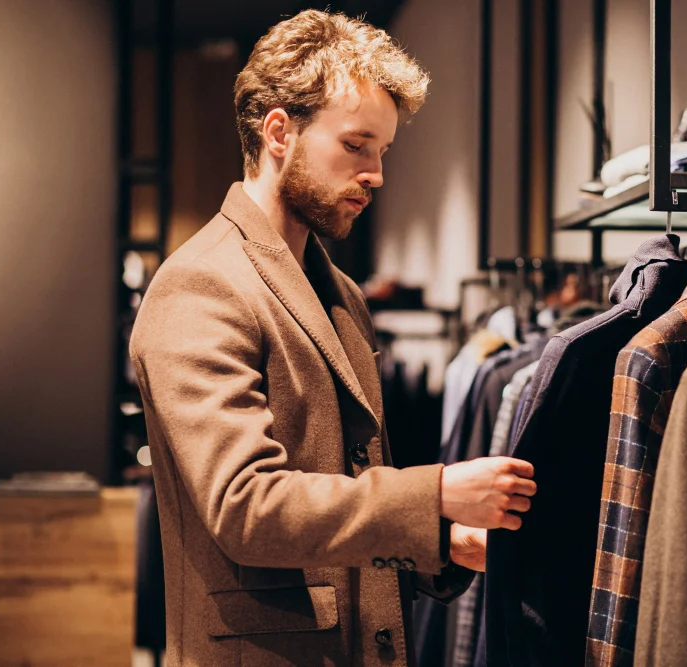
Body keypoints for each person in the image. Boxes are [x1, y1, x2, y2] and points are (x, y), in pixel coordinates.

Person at [128, 10, 537, 667]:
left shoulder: (340, 294)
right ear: (280, 132)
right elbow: (247, 507)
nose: (375, 173)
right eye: (356, 145)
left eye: (382, 151)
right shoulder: (201, 285)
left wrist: (436, 537)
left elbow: (344, 491)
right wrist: (431, 495)